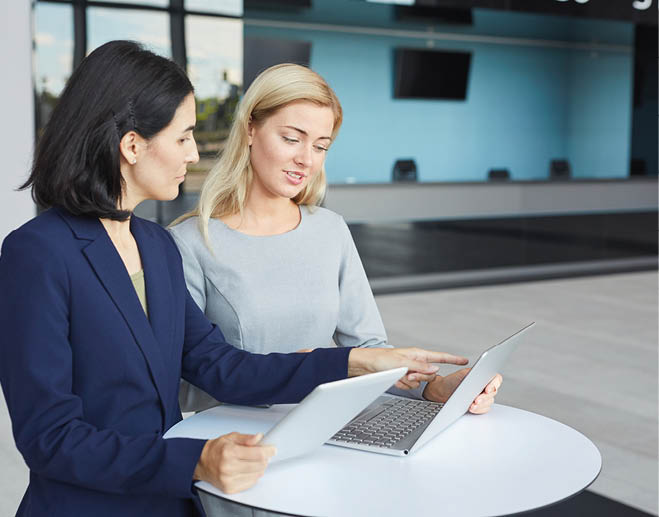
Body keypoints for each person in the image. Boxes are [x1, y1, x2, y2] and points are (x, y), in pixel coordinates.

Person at [0, 41, 470, 517]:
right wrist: (195, 460)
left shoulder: (155, 246)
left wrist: (349, 362)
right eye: (183, 137)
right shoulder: (37, 253)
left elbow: (220, 366)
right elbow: (49, 437)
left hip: (174, 502)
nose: (192, 153)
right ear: (132, 144)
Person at [169, 63, 503, 415]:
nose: (306, 160)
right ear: (251, 128)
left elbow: (369, 351)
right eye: (292, 138)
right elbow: (186, 378)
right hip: (231, 438)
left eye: (321, 146)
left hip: (322, 428)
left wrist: (435, 389)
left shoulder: (329, 230)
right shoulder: (189, 242)